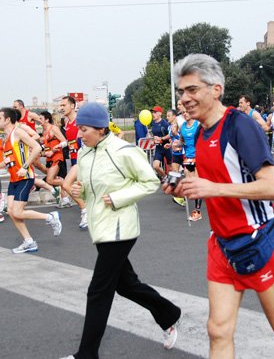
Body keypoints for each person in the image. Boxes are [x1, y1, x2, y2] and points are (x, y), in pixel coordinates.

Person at [165, 54, 274, 359]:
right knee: (218, 330)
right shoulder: (200, 131)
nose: (184, 99)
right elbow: (211, 176)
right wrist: (185, 183)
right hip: (222, 246)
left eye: (192, 90)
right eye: (181, 92)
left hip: (257, 241)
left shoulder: (239, 125)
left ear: (215, 90)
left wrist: (212, 188)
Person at [61, 103, 183, 359]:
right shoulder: (85, 153)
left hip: (120, 228)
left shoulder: (124, 151)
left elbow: (150, 181)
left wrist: (118, 198)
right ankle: (169, 313)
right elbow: (89, 187)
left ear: (100, 128)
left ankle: (86, 354)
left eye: (83, 129)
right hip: (100, 226)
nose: (79, 134)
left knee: (98, 290)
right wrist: (79, 191)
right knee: (125, 285)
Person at [0, 108, 62, 254]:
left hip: (25, 178)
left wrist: (25, 166)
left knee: (17, 212)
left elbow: (36, 147)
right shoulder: (8, 137)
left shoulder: (17, 132)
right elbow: (9, 158)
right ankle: (29, 241)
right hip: (14, 179)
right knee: (10, 211)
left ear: (7, 120)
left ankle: (50, 217)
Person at [59, 96, 88, 227]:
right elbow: (71, 141)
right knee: (80, 188)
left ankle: (85, 210)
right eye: (61, 105)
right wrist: (62, 145)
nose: (62, 108)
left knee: (66, 184)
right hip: (74, 158)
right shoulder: (67, 123)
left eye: (64, 105)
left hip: (83, 159)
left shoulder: (79, 121)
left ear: (72, 106)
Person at [174, 109, 202, 221]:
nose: (185, 114)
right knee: (191, 183)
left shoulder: (198, 124)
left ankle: (197, 211)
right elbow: (182, 141)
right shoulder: (182, 127)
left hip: (199, 157)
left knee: (196, 182)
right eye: (183, 113)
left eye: (187, 112)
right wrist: (176, 144)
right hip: (188, 158)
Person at [150, 106, 172, 181]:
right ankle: (165, 177)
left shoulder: (164, 123)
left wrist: (161, 138)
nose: (153, 114)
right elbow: (155, 135)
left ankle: (174, 182)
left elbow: (170, 135)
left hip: (167, 147)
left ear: (160, 114)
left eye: (155, 112)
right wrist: (153, 141)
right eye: (153, 112)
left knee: (170, 168)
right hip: (159, 148)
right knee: (155, 166)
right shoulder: (152, 124)